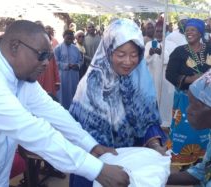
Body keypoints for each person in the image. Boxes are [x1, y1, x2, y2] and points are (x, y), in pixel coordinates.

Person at [0, 20, 129, 187]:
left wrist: (91, 145)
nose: (47, 63)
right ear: (15, 46)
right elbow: (32, 130)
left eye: (49, 56)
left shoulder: (20, 78)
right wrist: (97, 170)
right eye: (42, 55)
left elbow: (53, 112)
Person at [69, 18, 167, 187]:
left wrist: (155, 145)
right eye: (121, 55)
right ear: (108, 51)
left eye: (134, 55)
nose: (128, 61)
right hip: (94, 166)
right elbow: (79, 134)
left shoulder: (140, 79)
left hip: (131, 163)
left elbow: (148, 119)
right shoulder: (91, 85)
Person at [166, 18, 211, 165]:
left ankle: (204, 159)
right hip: (186, 100)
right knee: (185, 130)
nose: (189, 33)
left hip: (208, 101)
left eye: (192, 30)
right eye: (187, 30)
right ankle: (182, 160)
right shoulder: (179, 52)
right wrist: (189, 79)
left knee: (206, 129)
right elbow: (170, 74)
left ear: (200, 33)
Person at [144, 20, 175, 127]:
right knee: (154, 100)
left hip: (166, 79)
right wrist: (150, 54)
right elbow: (145, 61)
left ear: (165, 32)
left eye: (161, 31)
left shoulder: (171, 45)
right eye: (157, 31)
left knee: (166, 101)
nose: (158, 33)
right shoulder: (148, 44)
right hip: (153, 77)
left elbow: (170, 61)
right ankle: (154, 123)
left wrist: (161, 53)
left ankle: (166, 123)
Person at [55, 30, 82, 109]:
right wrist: (66, 65)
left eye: (71, 36)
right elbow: (55, 62)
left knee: (74, 93)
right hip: (63, 76)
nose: (70, 38)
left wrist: (77, 65)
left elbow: (80, 60)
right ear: (64, 36)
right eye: (68, 36)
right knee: (63, 95)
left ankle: (73, 110)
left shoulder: (76, 49)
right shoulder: (58, 48)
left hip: (74, 75)